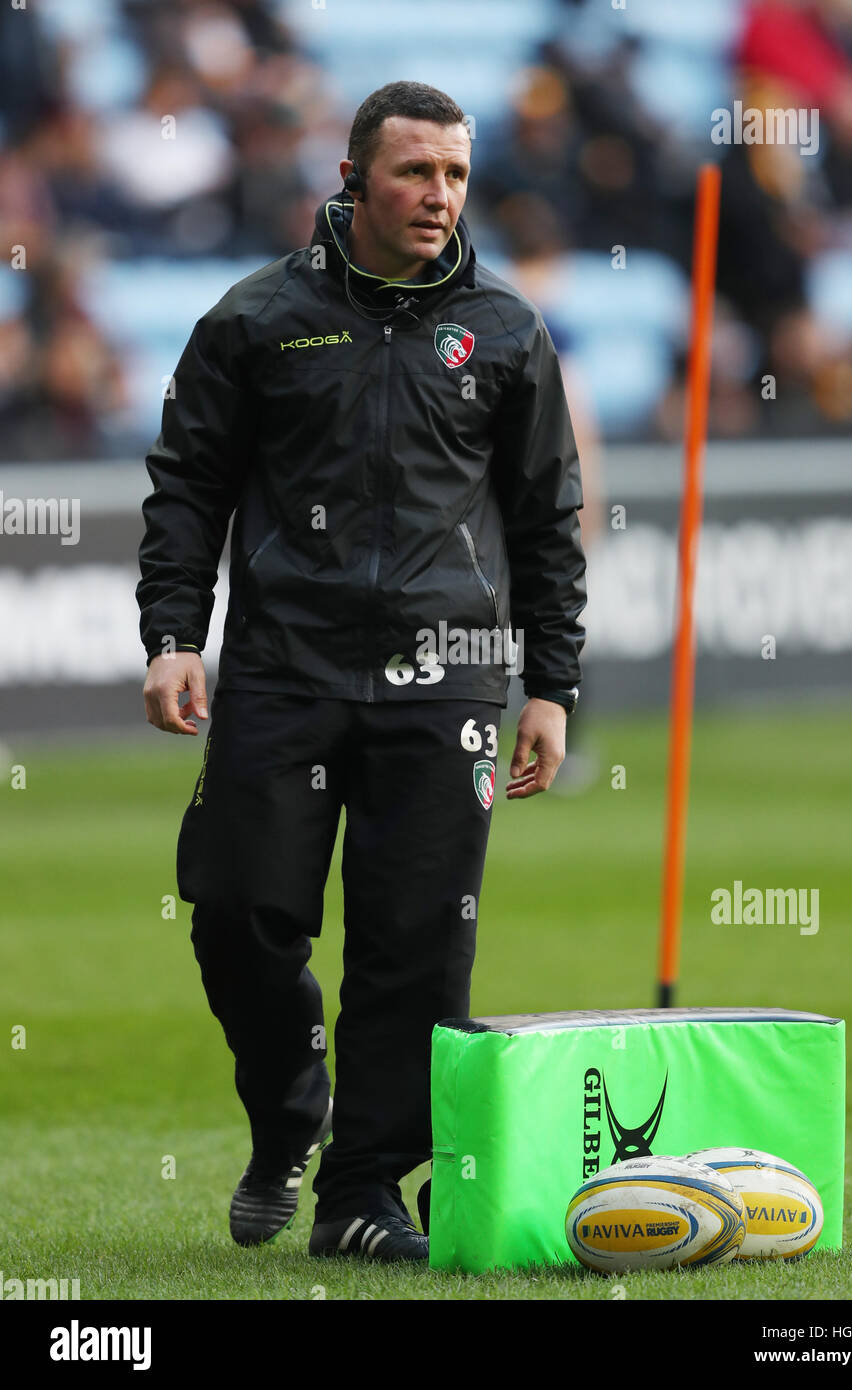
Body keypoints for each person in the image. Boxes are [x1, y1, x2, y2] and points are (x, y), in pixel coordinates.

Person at [136, 80, 587, 1264]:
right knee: (237, 911)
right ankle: (290, 1108)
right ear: (353, 179)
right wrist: (174, 634)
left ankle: (362, 1194)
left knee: (416, 943)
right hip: (286, 667)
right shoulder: (255, 319)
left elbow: (549, 519)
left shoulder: (506, 329)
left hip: (451, 679)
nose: (438, 196)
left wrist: (552, 682)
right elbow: (188, 487)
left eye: (453, 175)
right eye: (414, 173)